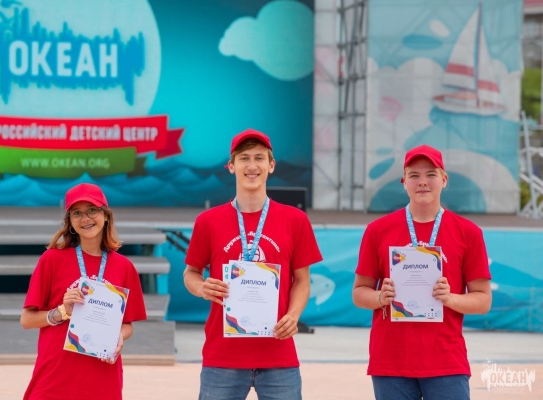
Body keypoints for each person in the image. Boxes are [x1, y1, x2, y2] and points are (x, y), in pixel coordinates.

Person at [183, 128, 323, 400]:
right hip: (222, 356)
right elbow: (191, 273)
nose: (252, 165)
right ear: (231, 166)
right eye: (244, 158)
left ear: (271, 165)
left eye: (259, 158)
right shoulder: (208, 221)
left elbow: (302, 280)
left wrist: (293, 316)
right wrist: (201, 288)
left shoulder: (295, 220)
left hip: (278, 354)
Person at [352, 144, 492, 400]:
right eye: (414, 175)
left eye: (431, 174)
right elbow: (359, 292)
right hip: (391, 361)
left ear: (444, 180)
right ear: (404, 182)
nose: (423, 182)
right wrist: (380, 297)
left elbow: (483, 300)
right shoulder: (378, 230)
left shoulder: (468, 232)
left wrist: (451, 299)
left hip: (446, 361)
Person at [20, 183, 147, 400]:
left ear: (106, 216)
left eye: (92, 210)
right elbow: (27, 320)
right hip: (55, 377)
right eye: (76, 213)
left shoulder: (125, 267)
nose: (85, 218)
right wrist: (62, 311)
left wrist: (118, 336)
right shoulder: (52, 260)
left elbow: (127, 325)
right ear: (69, 221)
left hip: (102, 376)